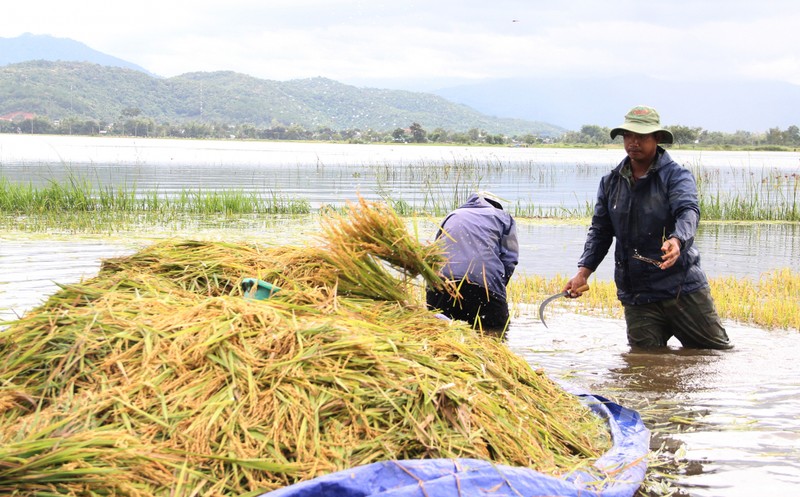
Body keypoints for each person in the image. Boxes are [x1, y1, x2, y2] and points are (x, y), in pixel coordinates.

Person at [563, 105, 733, 350]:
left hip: (681, 289)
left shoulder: (676, 176)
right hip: (637, 294)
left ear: (657, 138)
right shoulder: (610, 182)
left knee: (715, 354)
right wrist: (583, 273)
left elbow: (688, 212)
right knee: (643, 365)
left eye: (641, 136)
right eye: (628, 136)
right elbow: (600, 231)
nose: (633, 142)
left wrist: (677, 240)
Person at [426, 191, 519, 332]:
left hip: (443, 285)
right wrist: (496, 289)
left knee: (438, 331)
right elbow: (510, 259)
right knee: (497, 332)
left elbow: (435, 255)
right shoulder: (503, 217)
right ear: (495, 206)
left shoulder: (453, 215)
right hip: (484, 286)